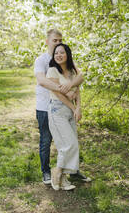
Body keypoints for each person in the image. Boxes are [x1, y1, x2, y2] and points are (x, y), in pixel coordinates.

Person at [34, 29, 91, 185]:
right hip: (46, 107)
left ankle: (72, 171)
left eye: (60, 41)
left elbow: (79, 76)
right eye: (55, 41)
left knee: (69, 140)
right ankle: (46, 171)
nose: (58, 43)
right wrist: (64, 90)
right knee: (46, 141)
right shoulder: (41, 60)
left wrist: (71, 86)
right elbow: (42, 81)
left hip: (65, 107)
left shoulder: (64, 57)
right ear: (47, 41)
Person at [46, 43, 82, 190]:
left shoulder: (72, 72)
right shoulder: (52, 71)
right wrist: (73, 107)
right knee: (70, 144)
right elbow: (58, 94)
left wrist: (79, 108)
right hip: (57, 110)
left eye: (61, 52)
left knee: (67, 146)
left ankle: (63, 179)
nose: (58, 55)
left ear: (67, 54)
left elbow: (78, 91)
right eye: (56, 53)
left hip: (71, 112)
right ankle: (57, 171)